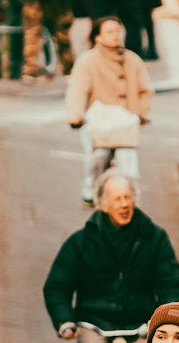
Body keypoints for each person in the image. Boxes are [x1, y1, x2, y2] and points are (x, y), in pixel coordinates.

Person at [43, 171, 179, 343]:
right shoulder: (81, 242)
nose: (124, 204)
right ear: (103, 204)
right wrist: (65, 321)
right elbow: (57, 286)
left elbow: (171, 283)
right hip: (94, 321)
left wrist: (167, 319)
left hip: (141, 321)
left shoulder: (154, 238)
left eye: (128, 197)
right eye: (117, 198)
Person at [64, 14, 153, 205]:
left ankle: (130, 197)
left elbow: (145, 89)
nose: (116, 36)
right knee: (97, 155)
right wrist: (76, 115)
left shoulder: (132, 60)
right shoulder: (87, 60)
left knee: (128, 160)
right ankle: (90, 190)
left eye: (118, 31)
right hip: (98, 119)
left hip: (125, 119)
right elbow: (78, 89)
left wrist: (140, 112)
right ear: (98, 36)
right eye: (110, 32)